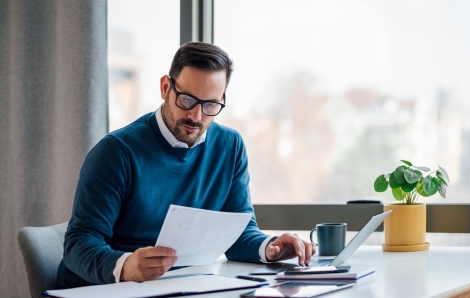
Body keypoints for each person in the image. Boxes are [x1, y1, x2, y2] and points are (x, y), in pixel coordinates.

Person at [57, 42, 316, 288]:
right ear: (165, 87)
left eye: (210, 104)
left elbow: (238, 232)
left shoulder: (230, 146)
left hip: (179, 285)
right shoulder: (116, 152)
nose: (196, 116)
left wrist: (271, 247)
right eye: (188, 100)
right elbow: (79, 244)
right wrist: (125, 266)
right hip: (103, 289)